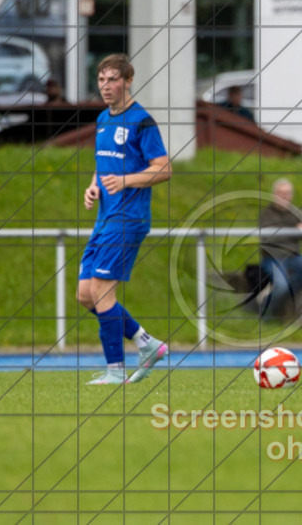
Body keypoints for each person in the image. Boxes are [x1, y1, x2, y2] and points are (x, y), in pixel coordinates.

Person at [77, 54, 171, 385]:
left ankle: (115, 370)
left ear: (128, 80)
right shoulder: (104, 119)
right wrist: (94, 186)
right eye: (101, 80)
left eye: (112, 79)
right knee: (85, 294)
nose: (105, 86)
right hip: (106, 217)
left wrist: (126, 181)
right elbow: (105, 163)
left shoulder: (141, 121)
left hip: (128, 218)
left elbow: (164, 168)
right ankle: (148, 345)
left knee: (102, 290)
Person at [258, 179, 302, 319]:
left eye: (287, 193)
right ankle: (265, 311)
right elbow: (270, 238)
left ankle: (277, 297)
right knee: (281, 285)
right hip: (272, 258)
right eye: (281, 193)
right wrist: (293, 231)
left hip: (293, 256)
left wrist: (294, 232)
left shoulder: (295, 212)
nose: (284, 196)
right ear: (274, 194)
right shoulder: (267, 214)